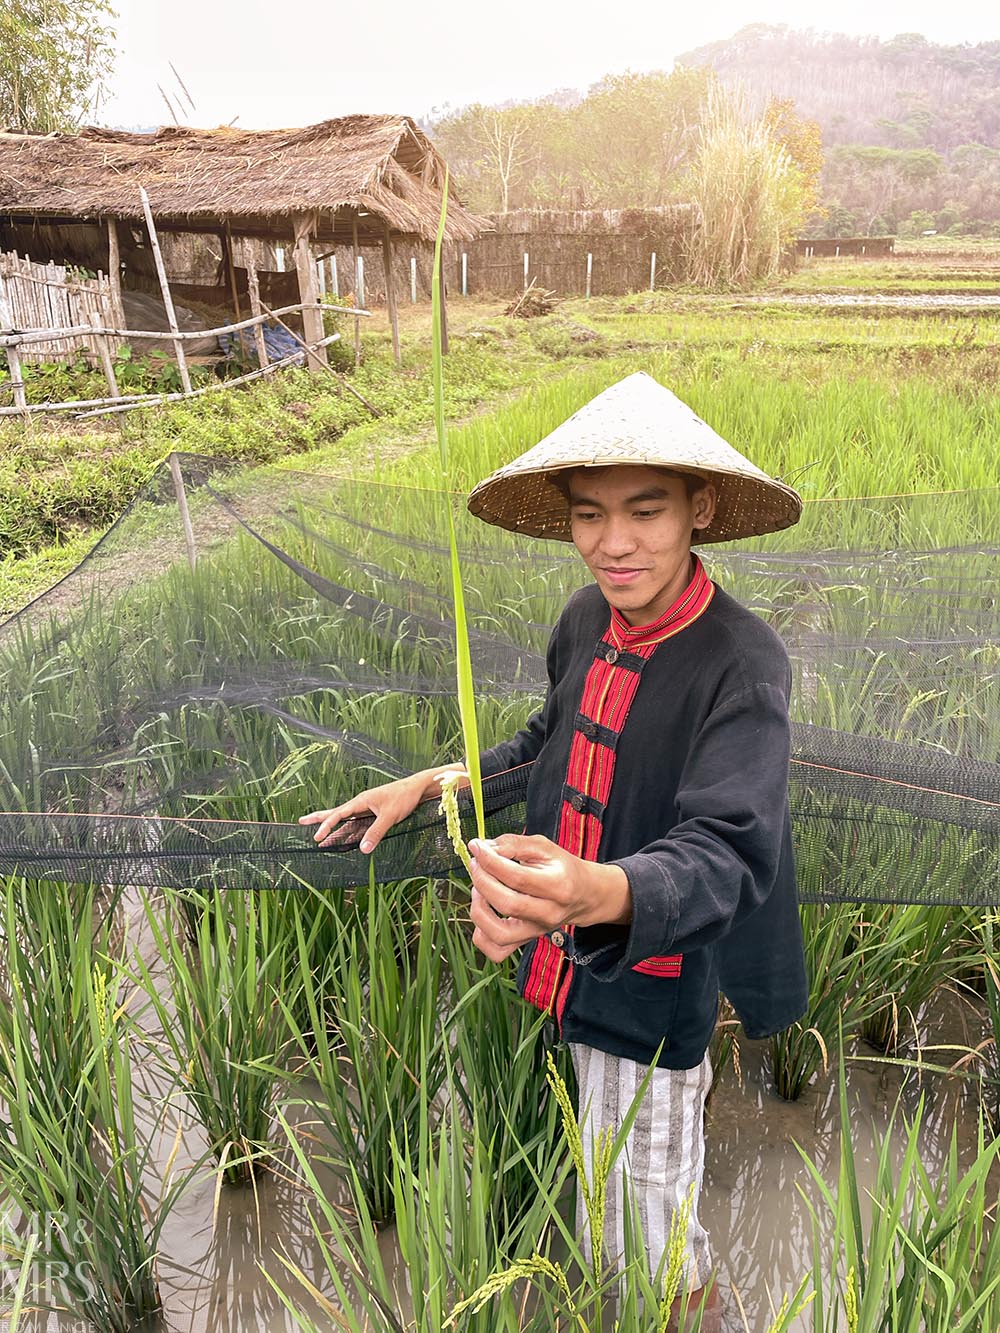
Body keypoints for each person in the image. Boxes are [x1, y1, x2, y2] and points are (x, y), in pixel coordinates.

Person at [300, 372, 808, 1328]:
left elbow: (730, 850)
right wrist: (435, 784)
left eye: (645, 511)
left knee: (640, 1231)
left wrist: (592, 889)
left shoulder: (742, 660)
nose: (613, 544)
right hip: (565, 963)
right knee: (632, 1198)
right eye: (588, 515)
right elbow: (545, 743)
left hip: (650, 987)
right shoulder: (584, 618)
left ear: (700, 509)